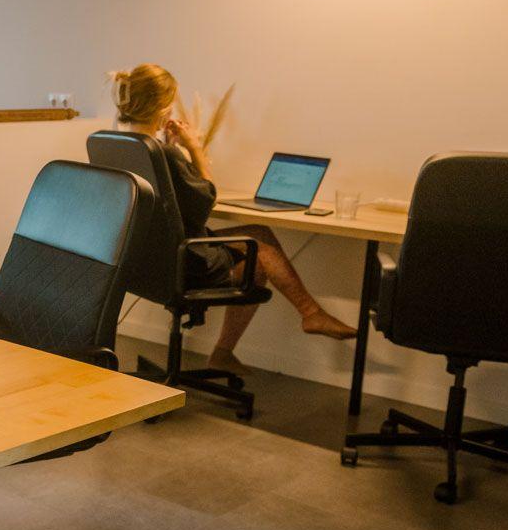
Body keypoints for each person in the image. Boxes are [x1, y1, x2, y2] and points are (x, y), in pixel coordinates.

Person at [109, 63, 356, 372]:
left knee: (258, 244)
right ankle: (309, 313)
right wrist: (195, 149)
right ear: (164, 105)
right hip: (185, 263)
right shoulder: (164, 154)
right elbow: (206, 200)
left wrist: (173, 152)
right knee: (259, 249)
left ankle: (233, 350)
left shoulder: (117, 144)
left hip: (141, 263)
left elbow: (168, 203)